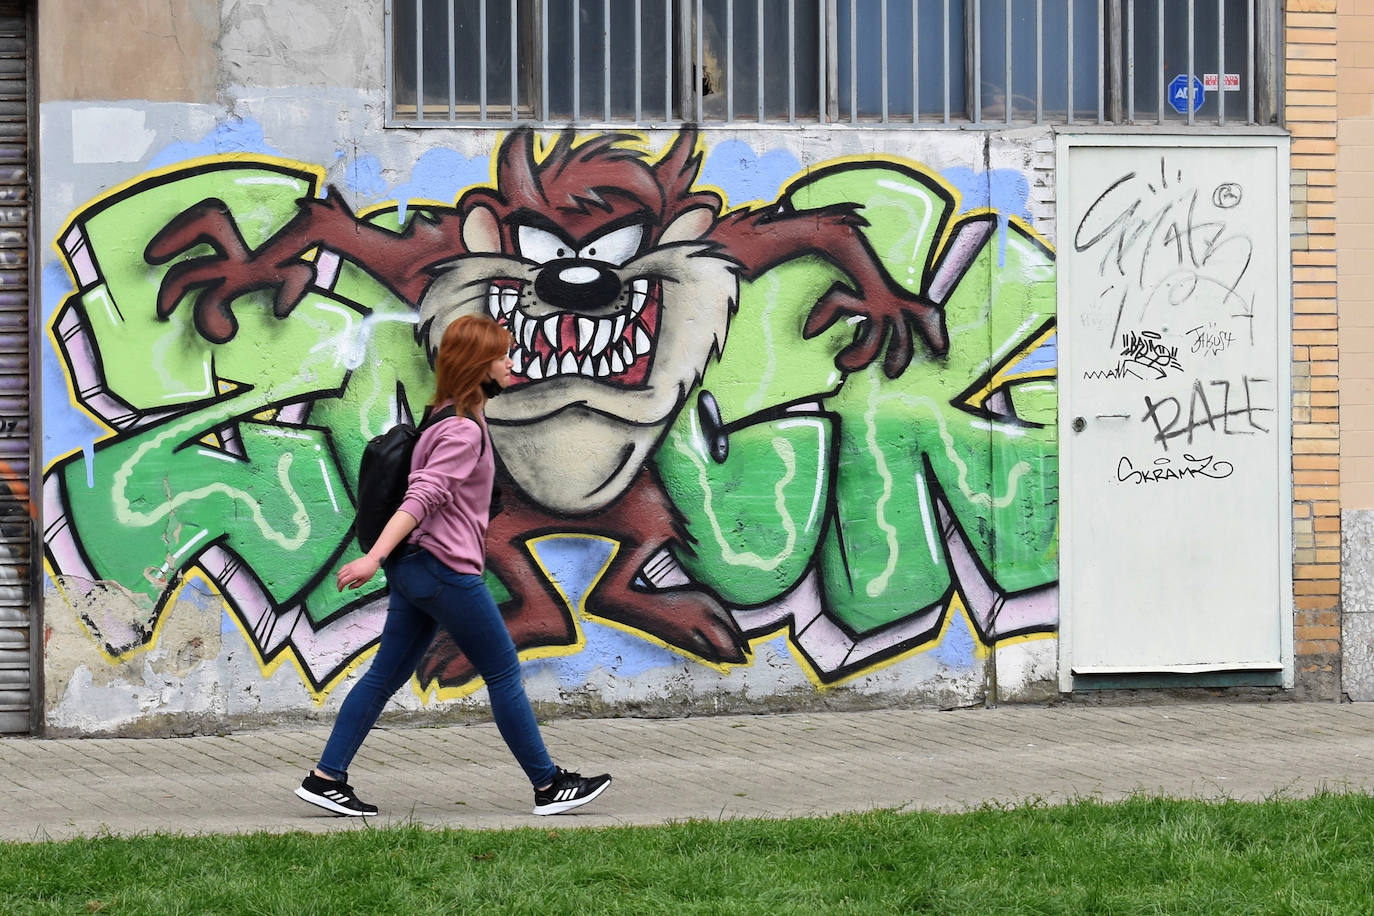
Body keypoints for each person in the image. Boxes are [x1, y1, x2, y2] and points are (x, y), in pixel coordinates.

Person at [295, 314, 612, 818]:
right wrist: (374, 557)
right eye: (503, 355)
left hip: (420, 570)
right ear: (478, 365)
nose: (512, 363)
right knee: (503, 672)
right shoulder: (461, 430)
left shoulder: (449, 416)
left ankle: (326, 776)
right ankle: (548, 785)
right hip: (444, 571)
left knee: (383, 676)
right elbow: (421, 498)